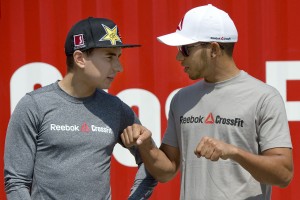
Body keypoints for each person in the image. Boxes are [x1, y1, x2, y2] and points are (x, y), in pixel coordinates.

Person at [121, 4, 294, 200]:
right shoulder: (181, 99)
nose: (178, 57)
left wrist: (234, 152)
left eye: (185, 49)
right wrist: (146, 145)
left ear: (213, 49)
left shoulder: (264, 97)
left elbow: (284, 174)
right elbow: (167, 170)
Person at [4, 17, 157, 200]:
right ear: (80, 58)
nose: (119, 67)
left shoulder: (116, 109)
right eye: (109, 56)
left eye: (119, 57)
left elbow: (152, 165)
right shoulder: (34, 105)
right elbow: (16, 181)